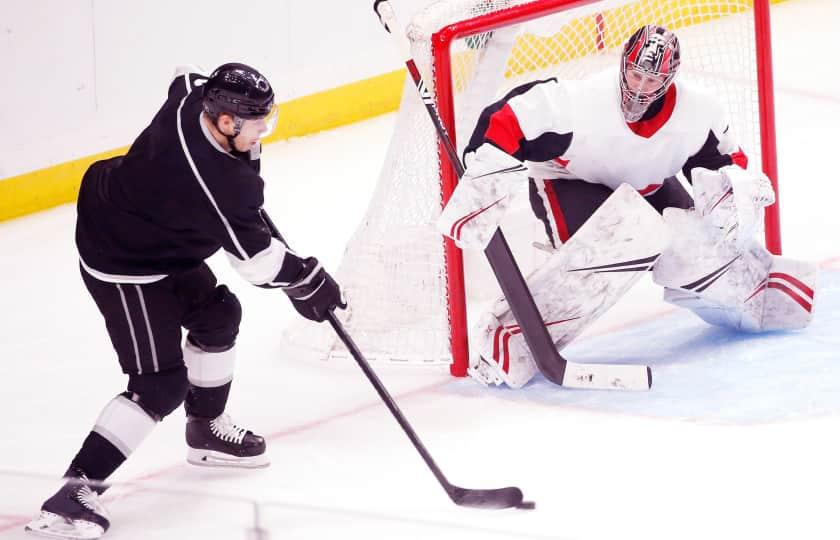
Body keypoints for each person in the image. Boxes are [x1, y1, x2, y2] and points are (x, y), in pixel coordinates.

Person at [25, 63, 345, 539]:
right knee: (159, 384)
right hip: (123, 258)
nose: (264, 132)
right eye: (257, 123)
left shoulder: (195, 97)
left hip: (153, 226)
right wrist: (307, 279)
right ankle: (72, 495)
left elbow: (184, 73)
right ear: (224, 122)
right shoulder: (216, 181)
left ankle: (206, 430)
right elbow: (257, 263)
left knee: (218, 316)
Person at [436, 25, 817, 388]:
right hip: (569, 180)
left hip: (648, 182)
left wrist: (736, 193)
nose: (639, 88)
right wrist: (484, 162)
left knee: (696, 246)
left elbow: (725, 164)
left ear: (669, 81)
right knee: (619, 244)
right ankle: (508, 338)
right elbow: (508, 117)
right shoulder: (580, 103)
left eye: (651, 81)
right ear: (622, 66)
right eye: (634, 75)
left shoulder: (698, 113)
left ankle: (760, 293)